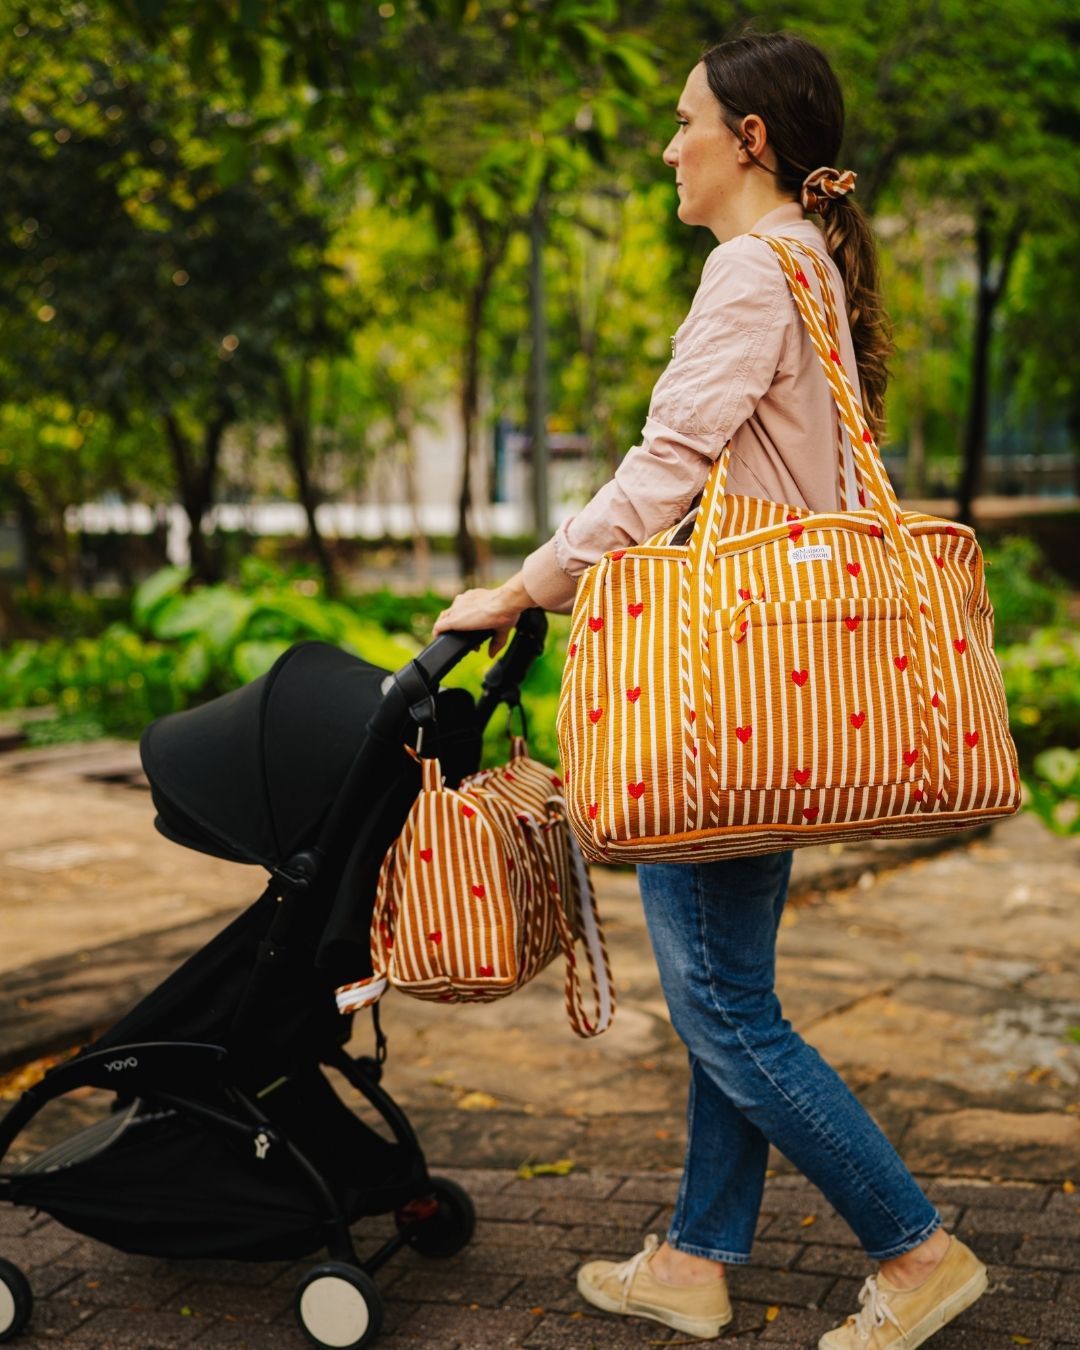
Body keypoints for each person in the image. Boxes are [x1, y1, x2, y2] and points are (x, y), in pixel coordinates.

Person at [432, 29, 989, 1350]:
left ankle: (914, 1248)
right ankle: (691, 1255)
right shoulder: (807, 264)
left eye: (686, 120)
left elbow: (664, 468)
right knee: (725, 985)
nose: (666, 143)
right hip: (782, 679)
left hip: (723, 690)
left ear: (750, 140)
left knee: (726, 1001)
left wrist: (524, 585)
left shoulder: (752, 267)